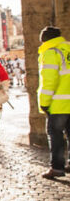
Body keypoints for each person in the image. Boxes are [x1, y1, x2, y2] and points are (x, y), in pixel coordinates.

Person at [37, 26, 70, 178]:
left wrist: (44, 102)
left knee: (56, 136)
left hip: (59, 104)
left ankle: (57, 168)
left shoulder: (50, 52)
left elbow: (49, 81)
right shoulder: (67, 48)